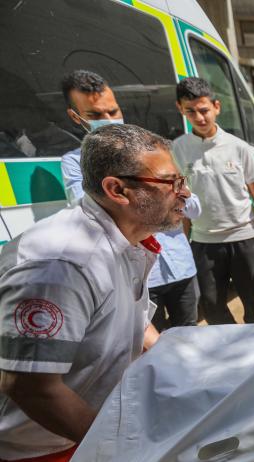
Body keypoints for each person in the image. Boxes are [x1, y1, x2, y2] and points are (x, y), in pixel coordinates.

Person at [0, 124, 199, 462]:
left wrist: (179, 357)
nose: (185, 193)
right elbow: (29, 388)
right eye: (170, 182)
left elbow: (133, 315)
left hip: (97, 398)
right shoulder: (61, 263)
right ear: (118, 190)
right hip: (31, 432)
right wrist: (112, 443)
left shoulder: (124, 238)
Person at [60, 70, 201, 331]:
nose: (108, 120)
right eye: (95, 115)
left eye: (113, 112)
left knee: (188, 335)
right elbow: (98, 216)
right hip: (143, 277)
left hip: (180, 265)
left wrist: (169, 193)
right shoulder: (75, 163)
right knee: (145, 346)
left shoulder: (152, 152)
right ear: (75, 116)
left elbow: (192, 205)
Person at [172, 77, 254, 324]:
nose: (199, 117)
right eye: (191, 111)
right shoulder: (178, 150)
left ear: (216, 107)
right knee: (211, 308)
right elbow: (183, 203)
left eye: (204, 110)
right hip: (204, 243)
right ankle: (233, 353)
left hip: (245, 240)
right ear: (180, 109)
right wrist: (185, 244)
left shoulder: (238, 148)